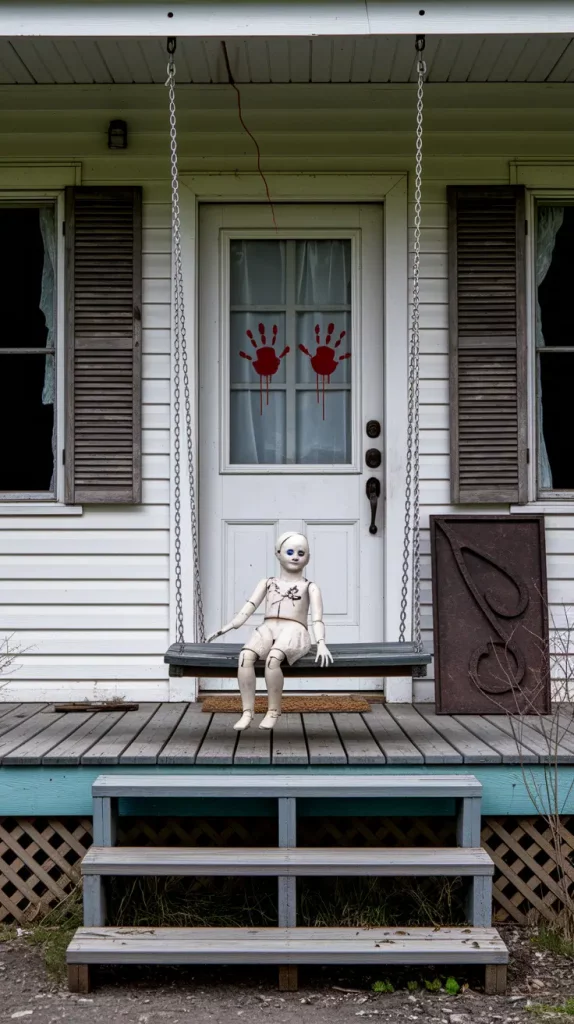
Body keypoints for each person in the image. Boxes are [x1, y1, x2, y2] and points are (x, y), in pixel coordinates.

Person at [207, 532, 333, 730]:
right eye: (290, 551)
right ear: (278, 553)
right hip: (268, 628)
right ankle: (247, 711)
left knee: (273, 659)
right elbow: (249, 606)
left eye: (301, 553)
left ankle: (273, 710)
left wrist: (321, 643)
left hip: (295, 631)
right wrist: (228, 627)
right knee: (245, 656)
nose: (295, 556)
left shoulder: (309, 587)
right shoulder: (267, 583)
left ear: (308, 558)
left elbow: (317, 618)